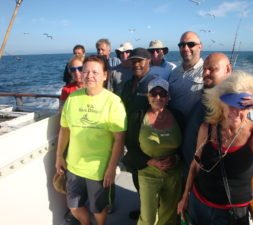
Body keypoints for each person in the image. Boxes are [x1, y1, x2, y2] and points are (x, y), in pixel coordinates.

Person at [177, 70, 253, 225]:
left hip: (231, 215)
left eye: (242, 105)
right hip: (198, 204)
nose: (236, 111)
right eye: (231, 103)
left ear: (251, 107)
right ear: (221, 103)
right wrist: (185, 196)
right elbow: (196, 164)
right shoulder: (207, 128)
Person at [55, 55, 127, 225]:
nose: (89, 75)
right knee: (73, 206)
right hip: (73, 166)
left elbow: (119, 139)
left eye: (95, 72)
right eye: (85, 71)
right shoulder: (72, 99)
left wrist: (111, 168)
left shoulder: (114, 102)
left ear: (105, 75)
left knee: (98, 209)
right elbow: (64, 129)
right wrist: (59, 157)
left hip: (99, 170)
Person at [132, 78, 184, 225]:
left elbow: (186, 146)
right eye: (154, 93)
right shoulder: (137, 117)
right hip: (148, 173)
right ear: (148, 97)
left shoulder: (179, 117)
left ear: (168, 98)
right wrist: (150, 161)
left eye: (163, 94)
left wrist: (176, 158)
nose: (158, 97)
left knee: (169, 215)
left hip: (173, 173)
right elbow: (130, 147)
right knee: (147, 217)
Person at [121, 47, 158, 219]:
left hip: (146, 144)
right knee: (137, 178)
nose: (136, 64)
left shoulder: (154, 83)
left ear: (148, 61)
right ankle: (144, 209)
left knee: (149, 182)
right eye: (134, 61)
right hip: (131, 143)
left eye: (140, 60)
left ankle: (153, 214)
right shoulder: (128, 84)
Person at [168, 31, 204, 119]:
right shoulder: (174, 72)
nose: (185, 48)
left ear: (200, 46)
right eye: (182, 45)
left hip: (195, 129)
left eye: (191, 44)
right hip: (175, 127)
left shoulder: (207, 71)